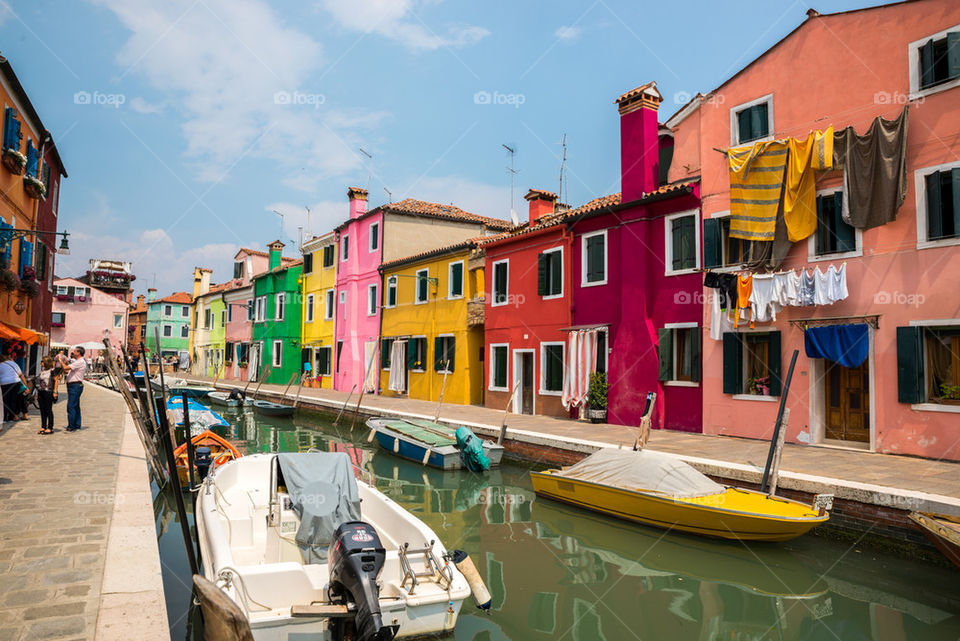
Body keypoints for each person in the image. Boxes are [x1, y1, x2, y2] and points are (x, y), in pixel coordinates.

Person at [58, 346, 87, 431]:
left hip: (75, 385)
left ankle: (71, 426)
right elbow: (67, 371)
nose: (73, 353)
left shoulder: (80, 362)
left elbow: (66, 368)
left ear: (78, 353)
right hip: (74, 385)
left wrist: (60, 360)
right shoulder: (78, 362)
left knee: (71, 406)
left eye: (74, 351)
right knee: (75, 405)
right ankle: (77, 424)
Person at [0, 352, 28, 422]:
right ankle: (11, 418)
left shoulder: (0, 365)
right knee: (13, 400)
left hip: (5, 384)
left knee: (5, 401)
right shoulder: (14, 363)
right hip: (16, 383)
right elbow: (21, 375)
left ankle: (4, 418)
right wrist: (26, 386)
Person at [35, 355, 58, 434]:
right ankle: (43, 426)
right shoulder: (42, 371)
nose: (41, 363)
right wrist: (37, 393)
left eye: (42, 361)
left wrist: (55, 392)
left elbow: (56, 381)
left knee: (48, 410)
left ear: (46, 362)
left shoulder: (52, 371)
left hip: (48, 392)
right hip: (41, 392)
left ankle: (50, 427)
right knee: (42, 410)